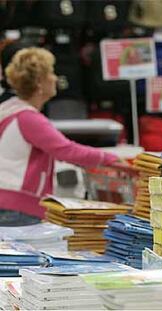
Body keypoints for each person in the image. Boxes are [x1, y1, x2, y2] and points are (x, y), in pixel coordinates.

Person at [0, 47, 120, 226]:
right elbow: (67, 151)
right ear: (39, 82)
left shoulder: (9, 109)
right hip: (18, 208)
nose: (55, 78)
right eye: (51, 72)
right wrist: (110, 158)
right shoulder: (29, 118)